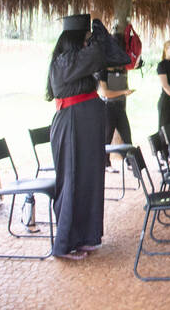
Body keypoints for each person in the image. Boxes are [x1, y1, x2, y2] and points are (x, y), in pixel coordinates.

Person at [46, 15, 129, 260]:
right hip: (73, 125)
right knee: (73, 181)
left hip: (83, 125)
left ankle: (84, 236)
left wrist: (96, 32)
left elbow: (117, 56)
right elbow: (98, 52)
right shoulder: (65, 61)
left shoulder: (76, 60)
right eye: (84, 39)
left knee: (88, 181)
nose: (87, 43)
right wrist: (98, 28)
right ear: (74, 40)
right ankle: (64, 245)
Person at [95, 65, 135, 173]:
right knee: (107, 136)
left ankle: (130, 162)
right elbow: (105, 93)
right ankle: (106, 163)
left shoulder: (121, 71)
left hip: (119, 106)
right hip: (108, 107)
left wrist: (125, 91)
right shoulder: (102, 73)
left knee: (126, 135)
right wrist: (123, 92)